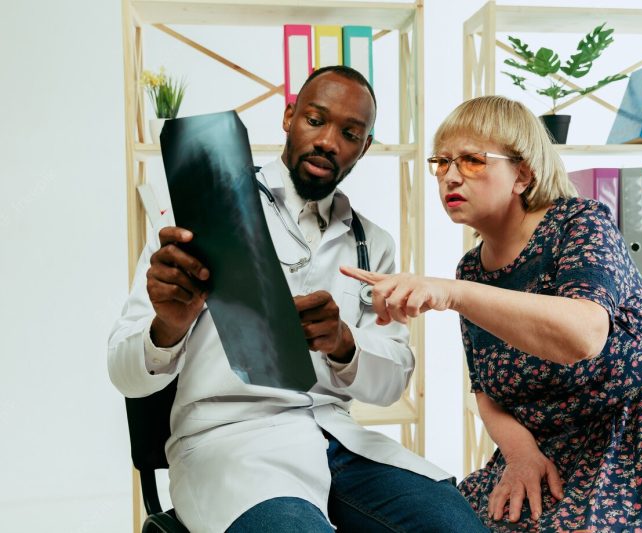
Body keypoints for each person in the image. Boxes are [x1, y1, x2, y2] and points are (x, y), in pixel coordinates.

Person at [342, 95, 642, 532]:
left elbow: (583, 335)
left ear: (523, 174)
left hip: (641, 447)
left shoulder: (580, 223)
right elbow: (487, 391)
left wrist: (454, 293)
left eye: (473, 161)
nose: (450, 177)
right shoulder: (472, 269)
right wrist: (520, 455)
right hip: (543, 453)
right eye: (442, 163)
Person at [108, 66, 487, 533]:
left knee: (457, 527)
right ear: (289, 118)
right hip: (230, 445)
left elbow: (390, 384)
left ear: (364, 147)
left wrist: (344, 343)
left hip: (335, 439)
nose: (329, 141)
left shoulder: (374, 243)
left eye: (350, 133)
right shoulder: (200, 212)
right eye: (315, 120)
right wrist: (168, 325)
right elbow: (124, 372)